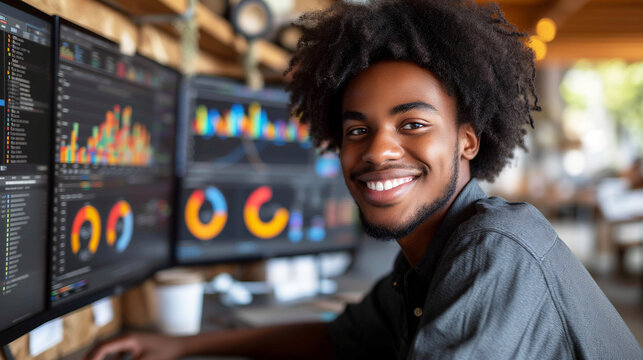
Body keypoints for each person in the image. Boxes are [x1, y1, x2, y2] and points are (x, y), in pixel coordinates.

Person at [85, 0, 643, 359]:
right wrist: (182, 347)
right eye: (358, 130)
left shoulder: (493, 251)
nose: (377, 150)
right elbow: (335, 339)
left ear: (468, 140)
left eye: (413, 124)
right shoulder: (422, 261)